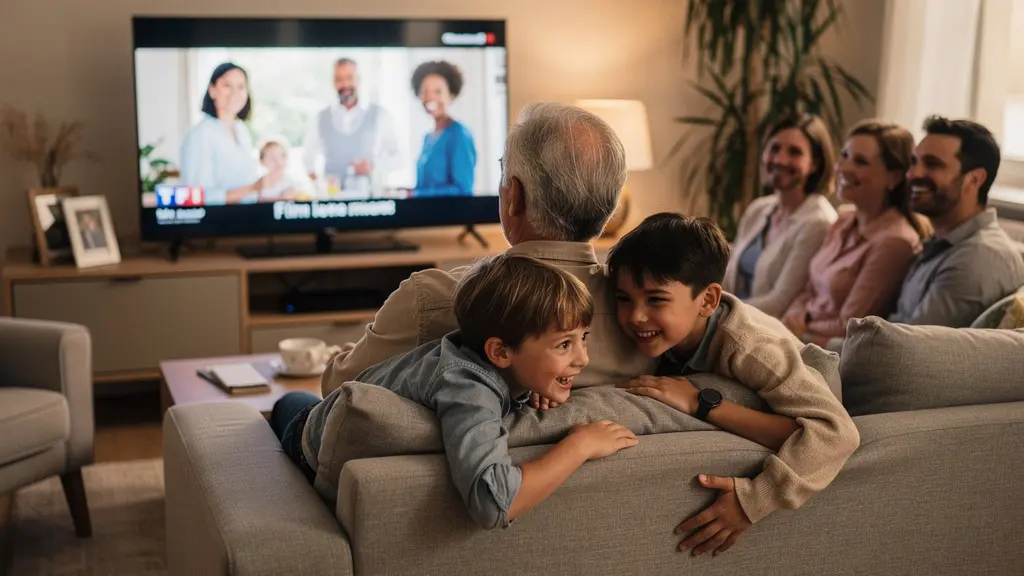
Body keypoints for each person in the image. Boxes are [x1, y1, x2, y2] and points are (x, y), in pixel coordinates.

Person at [271, 254, 639, 529]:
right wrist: (579, 446)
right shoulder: (468, 389)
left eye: (583, 339)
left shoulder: (492, 362)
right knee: (286, 405)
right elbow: (492, 503)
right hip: (309, 435)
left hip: (332, 406)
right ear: (500, 352)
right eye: (564, 345)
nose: (583, 358)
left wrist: (529, 390)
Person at [320, 102, 655, 398]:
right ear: (610, 208)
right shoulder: (654, 322)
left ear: (515, 198)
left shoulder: (432, 299)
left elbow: (339, 389)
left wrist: (345, 353)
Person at [609, 212, 859, 557]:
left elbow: (837, 433)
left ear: (708, 300)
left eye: (655, 299)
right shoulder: (665, 334)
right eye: (623, 299)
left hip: (819, 380)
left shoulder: (750, 350)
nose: (635, 316)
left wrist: (750, 503)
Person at [782, 120, 927, 345]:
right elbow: (808, 289)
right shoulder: (844, 218)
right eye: (845, 155)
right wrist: (792, 318)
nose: (844, 168)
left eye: (861, 162)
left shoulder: (895, 243)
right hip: (794, 333)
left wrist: (799, 329)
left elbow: (849, 325)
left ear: (894, 177)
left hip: (826, 353)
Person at [889, 116, 1024, 327]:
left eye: (932, 164)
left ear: (975, 179)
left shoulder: (979, 257)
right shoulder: (942, 243)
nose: (913, 174)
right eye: (914, 162)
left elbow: (909, 349)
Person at [722, 114, 839, 317]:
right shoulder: (759, 209)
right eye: (774, 148)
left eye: (794, 152)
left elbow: (779, 303)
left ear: (815, 164)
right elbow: (729, 271)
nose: (780, 159)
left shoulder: (818, 223)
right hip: (728, 319)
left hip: (765, 334)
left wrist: (713, 312)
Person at [302, 58, 402, 195]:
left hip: (372, 202)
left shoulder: (380, 115)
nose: (345, 84)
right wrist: (318, 188)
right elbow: (308, 159)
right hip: (332, 203)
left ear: (358, 79)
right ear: (333, 82)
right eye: (339, 79)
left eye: (349, 77)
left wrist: (373, 165)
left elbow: (398, 157)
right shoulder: (319, 118)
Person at [179, 62, 264, 205]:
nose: (235, 93)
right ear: (212, 90)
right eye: (227, 86)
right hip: (217, 223)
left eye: (241, 87)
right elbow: (199, 197)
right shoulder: (201, 135)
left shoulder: (241, 130)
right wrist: (253, 188)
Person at [409, 61, 477, 197]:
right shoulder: (428, 138)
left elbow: (463, 190)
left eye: (438, 91)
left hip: (451, 217)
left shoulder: (459, 134)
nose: (430, 97)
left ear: (450, 94)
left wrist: (415, 194)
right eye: (425, 91)